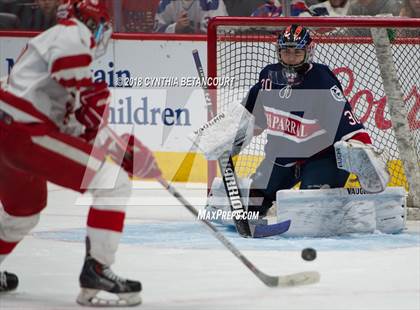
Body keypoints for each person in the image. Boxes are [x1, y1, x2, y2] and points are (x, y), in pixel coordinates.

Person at [0, 0, 161, 306]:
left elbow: (76, 125)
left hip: (10, 134)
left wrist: (118, 149)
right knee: (113, 183)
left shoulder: (52, 41)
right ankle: (97, 272)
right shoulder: (72, 34)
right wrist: (119, 149)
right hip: (23, 133)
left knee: (23, 213)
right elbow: (80, 90)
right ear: (94, 22)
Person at [239, 25, 379, 217]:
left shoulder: (321, 81)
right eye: (286, 51)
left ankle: (342, 206)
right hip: (281, 160)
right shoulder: (268, 77)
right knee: (248, 205)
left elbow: (347, 123)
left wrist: (363, 151)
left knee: (308, 214)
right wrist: (230, 134)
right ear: (278, 52)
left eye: (297, 52)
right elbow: (252, 118)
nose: (291, 57)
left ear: (308, 51)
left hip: (322, 159)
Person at [154, 0, 228, 34]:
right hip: (173, 50)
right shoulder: (166, 2)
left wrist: (199, 33)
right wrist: (176, 28)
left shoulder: (213, 2)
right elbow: (156, 32)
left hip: (207, 50)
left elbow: (224, 33)